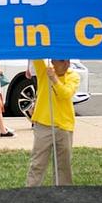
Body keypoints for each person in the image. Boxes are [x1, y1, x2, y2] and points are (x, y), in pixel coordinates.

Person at [25, 58, 79, 187]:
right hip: (43, 125)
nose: (67, 64)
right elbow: (35, 53)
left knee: (63, 167)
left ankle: (63, 196)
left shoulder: (73, 76)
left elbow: (65, 94)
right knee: (38, 164)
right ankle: (30, 194)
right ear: (53, 62)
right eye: (62, 61)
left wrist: (54, 79)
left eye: (68, 60)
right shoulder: (44, 71)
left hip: (64, 126)